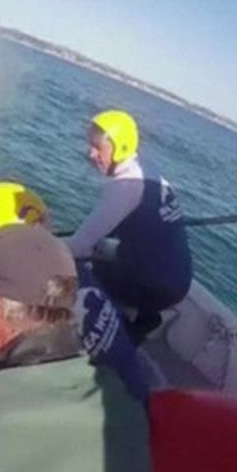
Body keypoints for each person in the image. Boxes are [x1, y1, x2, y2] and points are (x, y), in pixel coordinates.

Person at [66, 109, 192, 344]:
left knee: (86, 269)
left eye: (97, 148)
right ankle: (146, 317)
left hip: (157, 285)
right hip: (179, 277)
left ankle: (116, 333)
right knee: (108, 249)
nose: (90, 153)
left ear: (120, 148)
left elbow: (79, 247)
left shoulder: (125, 188)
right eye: (89, 145)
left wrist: (41, 249)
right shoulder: (148, 170)